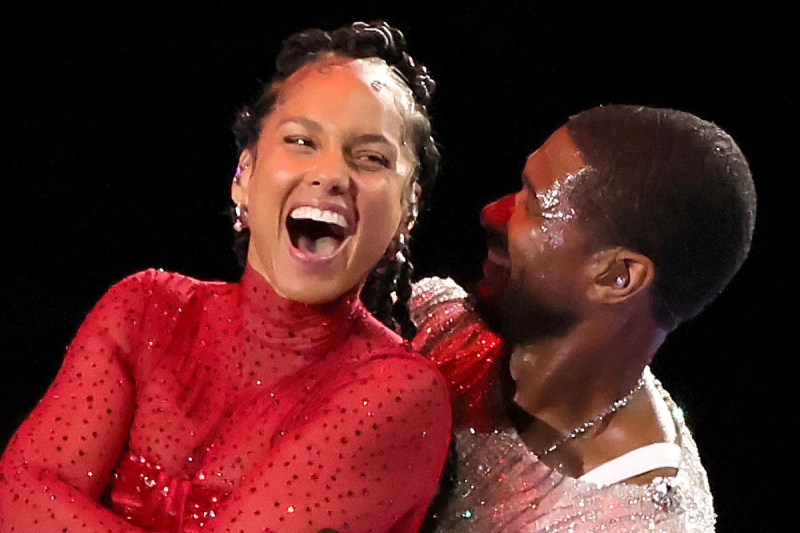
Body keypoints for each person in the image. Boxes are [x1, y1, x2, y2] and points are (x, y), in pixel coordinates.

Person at [0, 20, 453, 533]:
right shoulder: (144, 308)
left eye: (370, 157)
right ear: (244, 176)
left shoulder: (398, 393)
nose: (331, 174)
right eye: (302, 140)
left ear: (407, 211)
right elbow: (21, 491)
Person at [410, 104, 756, 531]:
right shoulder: (435, 322)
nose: (493, 211)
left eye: (533, 204)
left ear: (617, 277)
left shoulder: (636, 525)